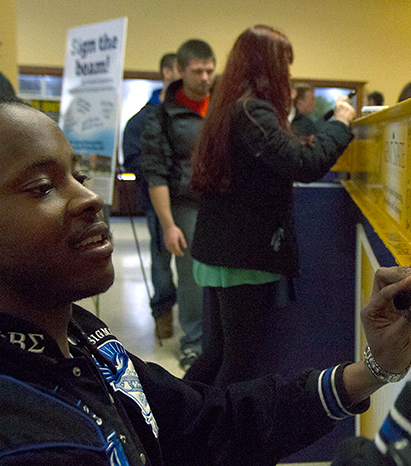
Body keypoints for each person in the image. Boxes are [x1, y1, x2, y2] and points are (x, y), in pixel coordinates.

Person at [0, 89, 411, 465]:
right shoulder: (30, 439)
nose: (89, 200)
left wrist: (370, 370)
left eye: (76, 175)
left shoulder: (78, 341)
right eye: (42, 187)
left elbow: (213, 421)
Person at [187, 25, 356, 387]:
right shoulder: (253, 111)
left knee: (216, 354)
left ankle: (175, 422)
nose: (289, 76)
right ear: (268, 67)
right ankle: (208, 434)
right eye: (286, 65)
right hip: (242, 253)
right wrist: (341, 122)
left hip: (223, 249)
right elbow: (305, 163)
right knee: (238, 362)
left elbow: (284, 153)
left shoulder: (232, 107)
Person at [141, 40, 216, 370]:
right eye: (197, 71)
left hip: (221, 204)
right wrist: (168, 224)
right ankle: (193, 342)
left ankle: (217, 338)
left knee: (220, 274)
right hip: (184, 205)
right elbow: (155, 173)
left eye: (209, 70)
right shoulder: (162, 115)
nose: (204, 77)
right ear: (181, 71)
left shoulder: (222, 108)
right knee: (191, 276)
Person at [122, 53, 179, 340]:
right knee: (161, 260)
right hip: (156, 202)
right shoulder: (139, 121)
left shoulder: (192, 115)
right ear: (168, 72)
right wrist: (160, 173)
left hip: (193, 203)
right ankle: (163, 314)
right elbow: (132, 161)